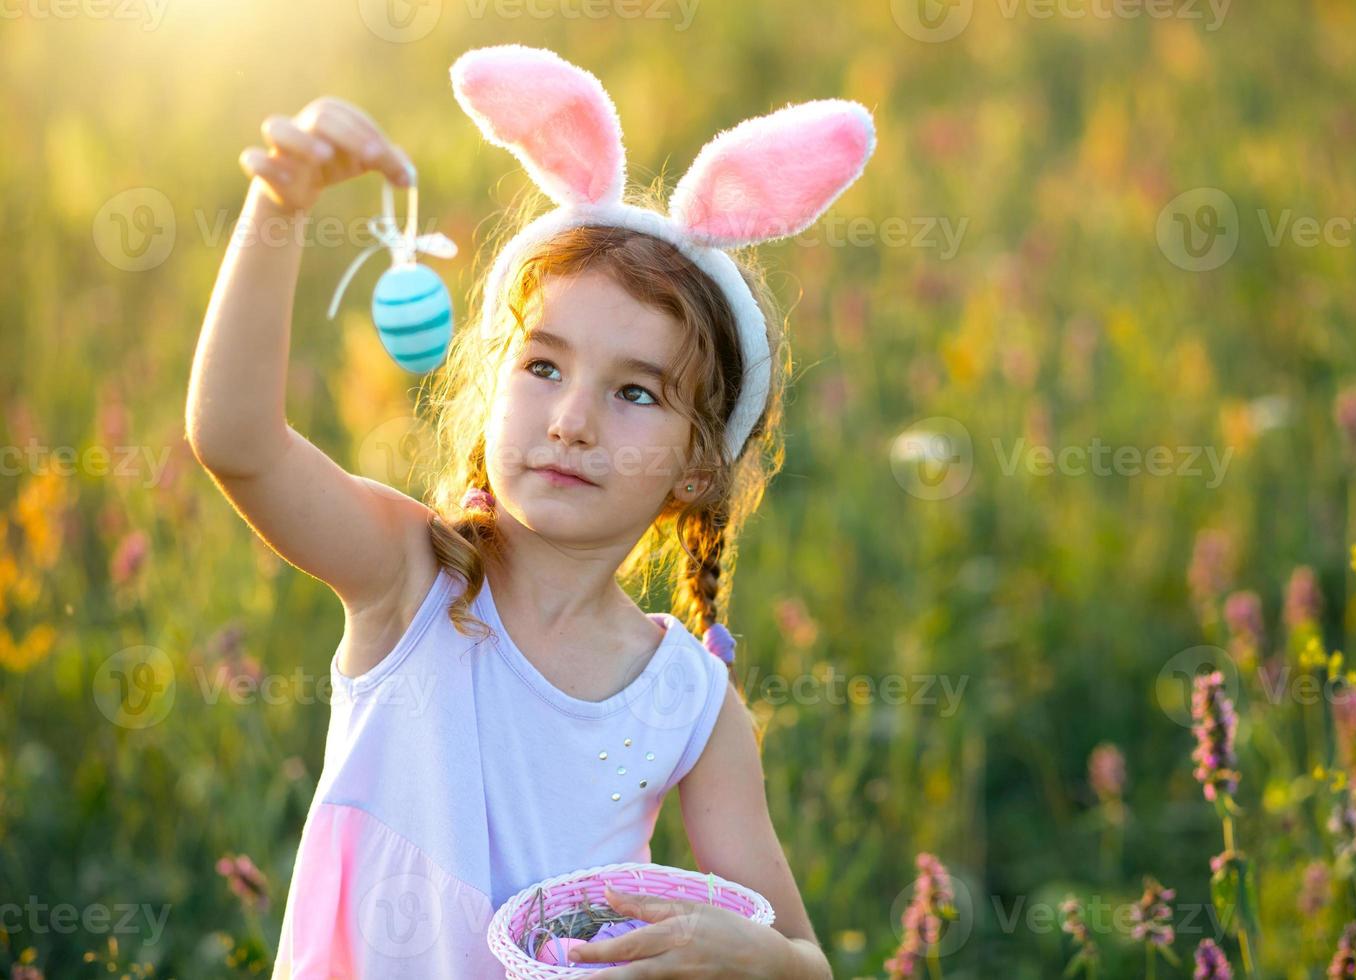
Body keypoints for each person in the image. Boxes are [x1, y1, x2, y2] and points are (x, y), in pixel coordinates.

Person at [186, 44, 875, 977]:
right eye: (543, 367)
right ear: (491, 390)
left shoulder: (689, 702)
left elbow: (807, 960)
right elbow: (236, 440)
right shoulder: (413, 577)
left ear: (698, 467)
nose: (573, 420)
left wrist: (756, 958)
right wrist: (280, 209)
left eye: (636, 393)